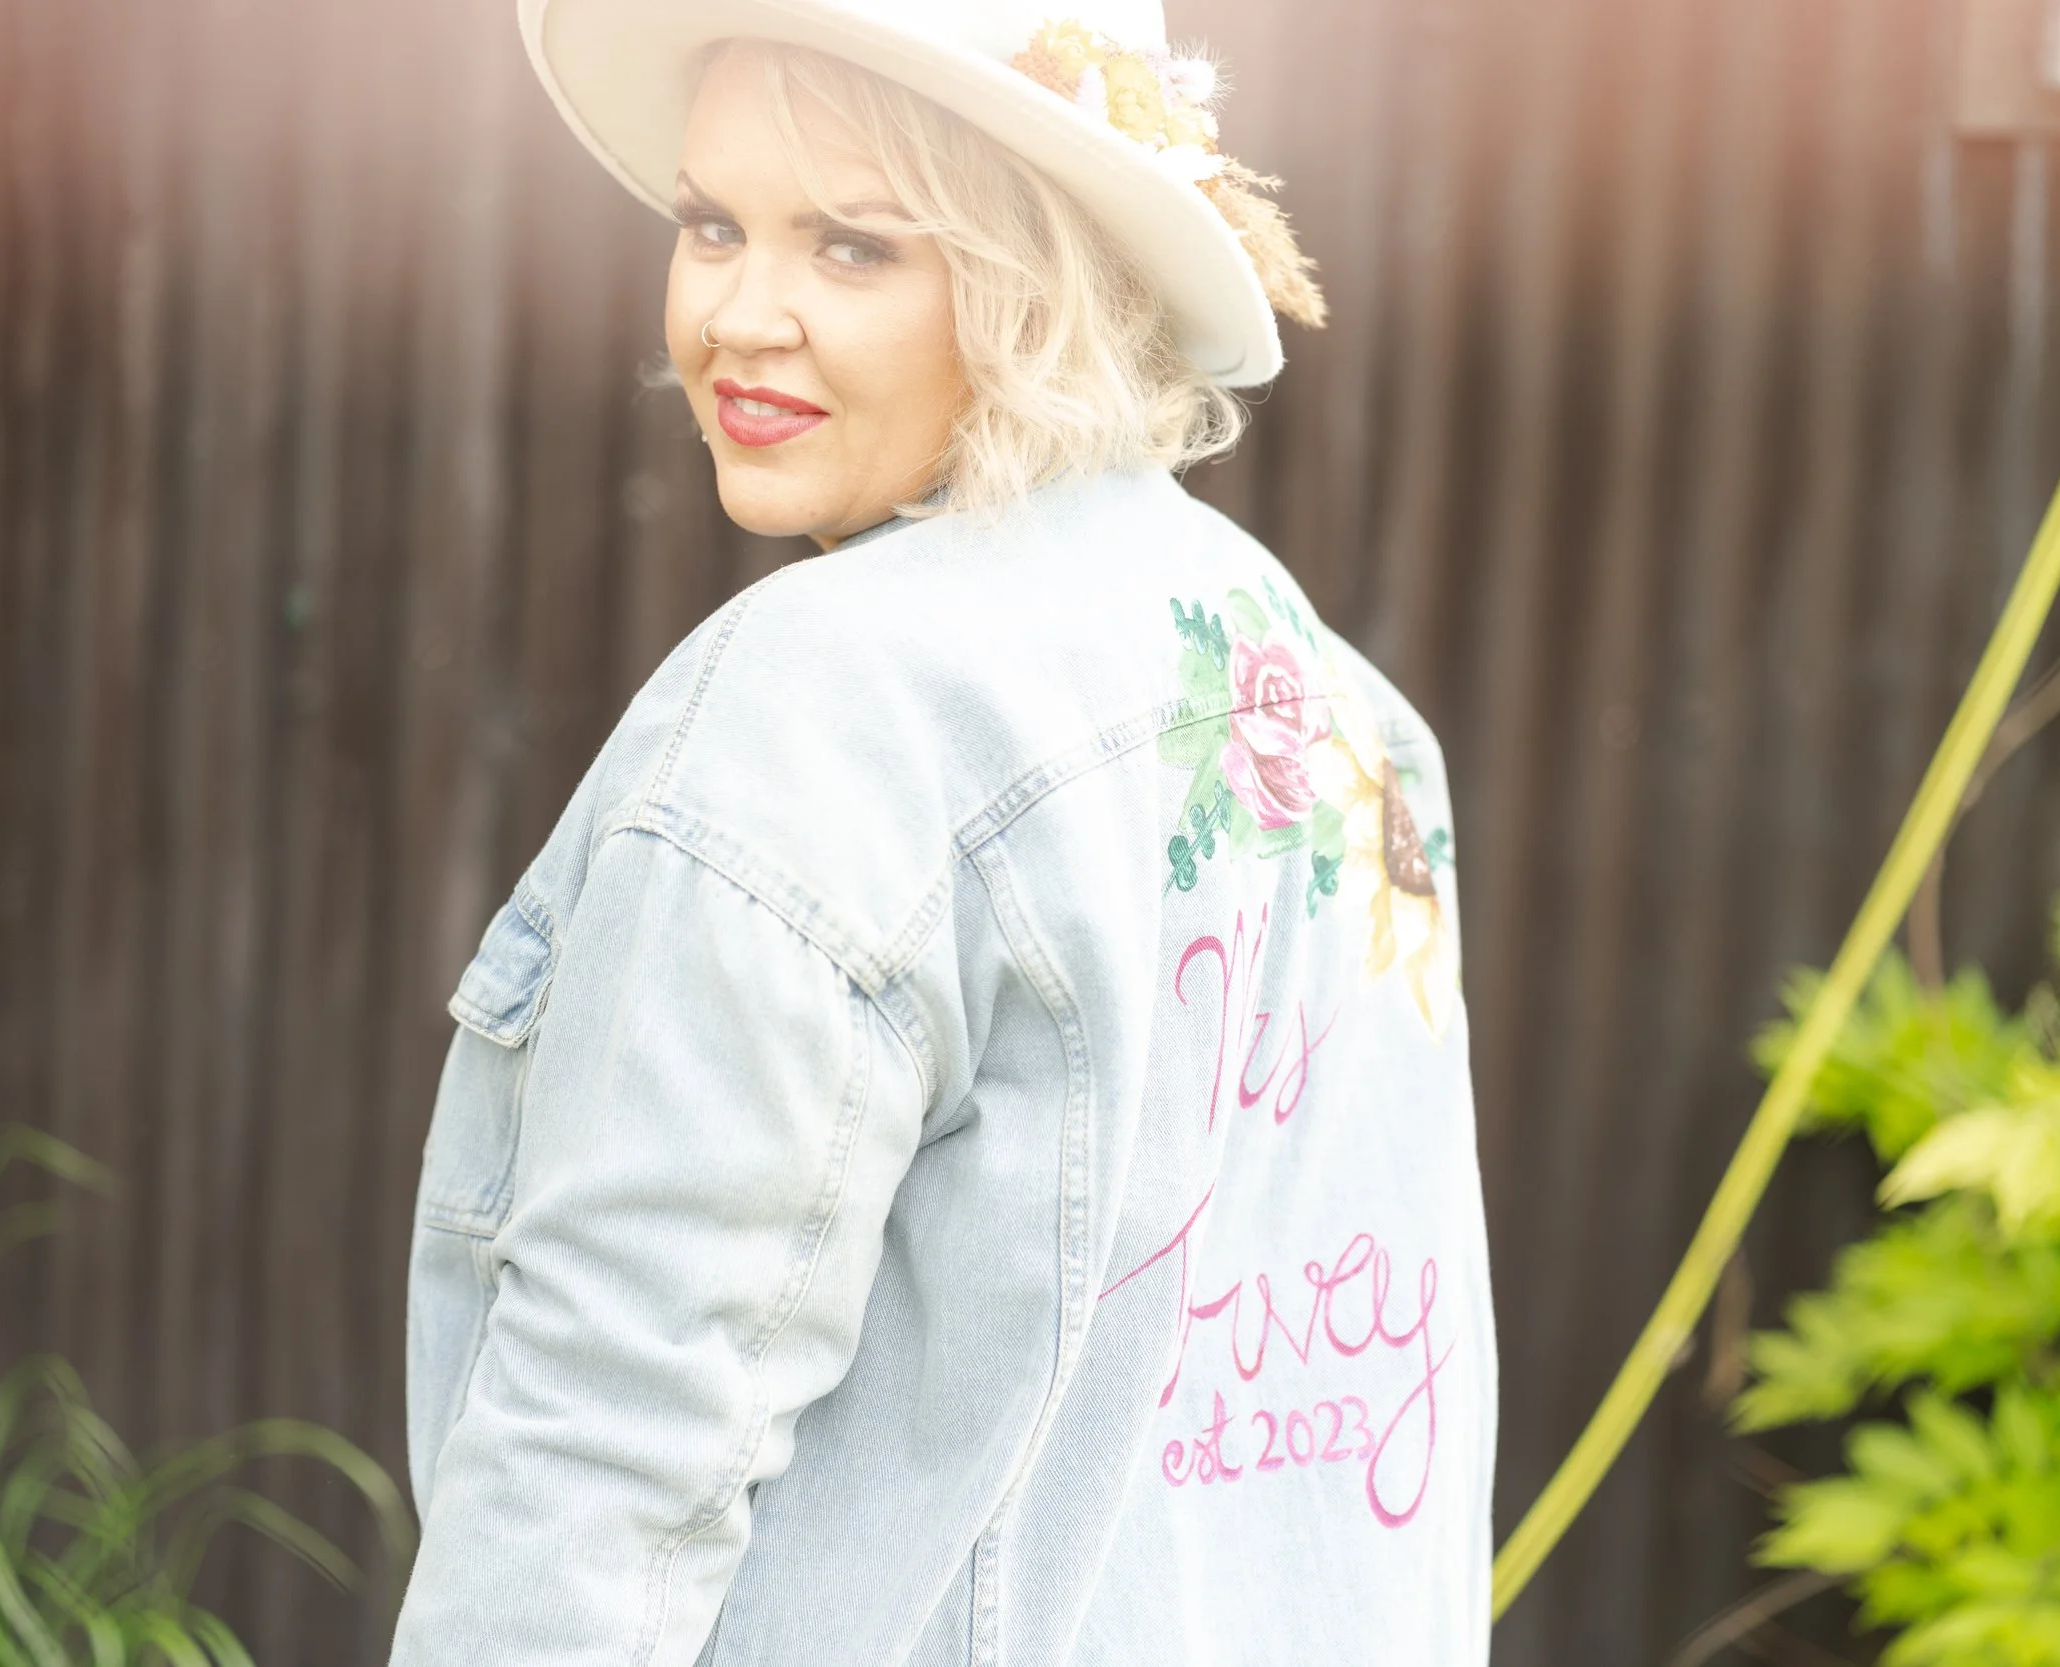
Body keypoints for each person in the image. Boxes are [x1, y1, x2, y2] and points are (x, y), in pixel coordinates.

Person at [391, 3, 1496, 1662]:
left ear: (1033, 275)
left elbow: (604, 1450)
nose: (738, 315)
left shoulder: (819, 709)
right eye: (713, 224)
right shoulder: (1330, 707)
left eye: (852, 245)